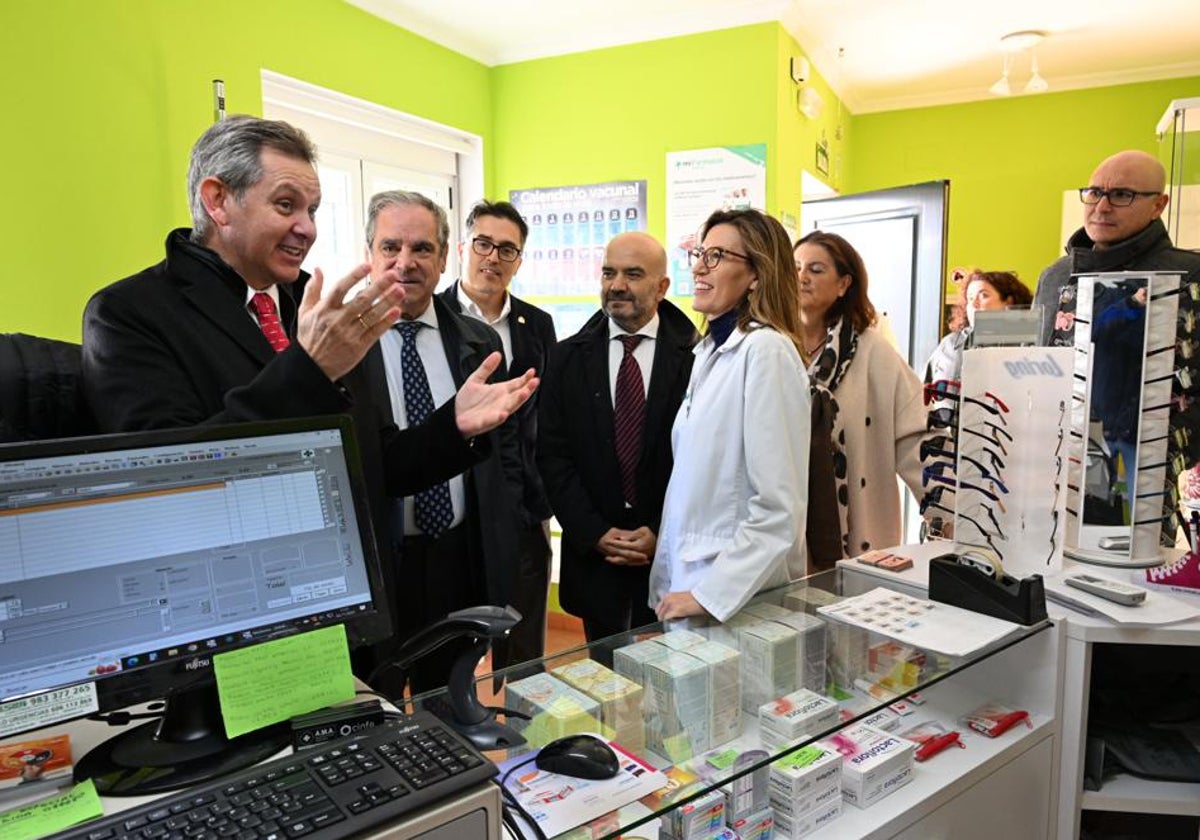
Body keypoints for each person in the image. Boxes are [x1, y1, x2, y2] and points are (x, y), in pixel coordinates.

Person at [82, 117, 537, 684]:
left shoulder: (314, 305)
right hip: (235, 634)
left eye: (314, 210)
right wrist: (310, 368)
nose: (306, 229)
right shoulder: (131, 314)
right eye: (286, 205)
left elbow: (377, 466)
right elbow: (171, 492)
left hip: (349, 610)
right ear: (218, 200)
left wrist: (453, 429)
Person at [358, 190, 524, 694]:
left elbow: (500, 455)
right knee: (376, 708)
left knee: (449, 708)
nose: (405, 263)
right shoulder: (340, 343)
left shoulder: (479, 341)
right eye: (390, 247)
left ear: (445, 256)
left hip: (457, 560)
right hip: (380, 567)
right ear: (370, 252)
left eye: (422, 249)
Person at [649, 209, 810, 623]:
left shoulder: (766, 352)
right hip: (694, 583)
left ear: (757, 274)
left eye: (717, 255)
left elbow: (778, 507)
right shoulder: (707, 353)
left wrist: (709, 594)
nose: (700, 265)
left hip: (735, 596)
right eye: (700, 253)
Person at [538, 232, 698, 644]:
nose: (616, 285)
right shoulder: (564, 358)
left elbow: (702, 463)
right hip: (595, 558)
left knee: (674, 680)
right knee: (609, 689)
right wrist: (594, 533)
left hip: (674, 556)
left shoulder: (698, 359)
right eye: (609, 272)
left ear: (662, 287)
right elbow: (553, 459)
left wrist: (661, 531)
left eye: (633, 274)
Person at [1034, 149, 1199, 541]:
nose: (1102, 206)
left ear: (1159, 204)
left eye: (1122, 194)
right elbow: (1040, 362)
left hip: (1144, 473)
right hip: (1056, 468)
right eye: (1094, 193)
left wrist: (1175, 456)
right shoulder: (1056, 275)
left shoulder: (1190, 273)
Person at [438, 200, 557, 665]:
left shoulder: (537, 325)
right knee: (452, 645)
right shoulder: (433, 317)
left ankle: (530, 733)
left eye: (507, 249)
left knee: (524, 645)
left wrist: (541, 496)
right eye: (483, 244)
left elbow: (545, 419)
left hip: (523, 503)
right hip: (457, 505)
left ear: (519, 260)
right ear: (463, 248)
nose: (493, 257)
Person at [795, 230, 926, 563]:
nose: (802, 277)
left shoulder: (872, 352)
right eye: (795, 267)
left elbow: (918, 439)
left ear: (843, 284)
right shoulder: (771, 348)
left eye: (816, 269)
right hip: (785, 532)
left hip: (857, 532)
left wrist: (948, 513)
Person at [925, 270, 1033, 383]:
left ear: (1008, 302)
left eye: (983, 296)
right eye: (970, 298)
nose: (974, 304)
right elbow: (920, 391)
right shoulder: (949, 344)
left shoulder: (1028, 344)